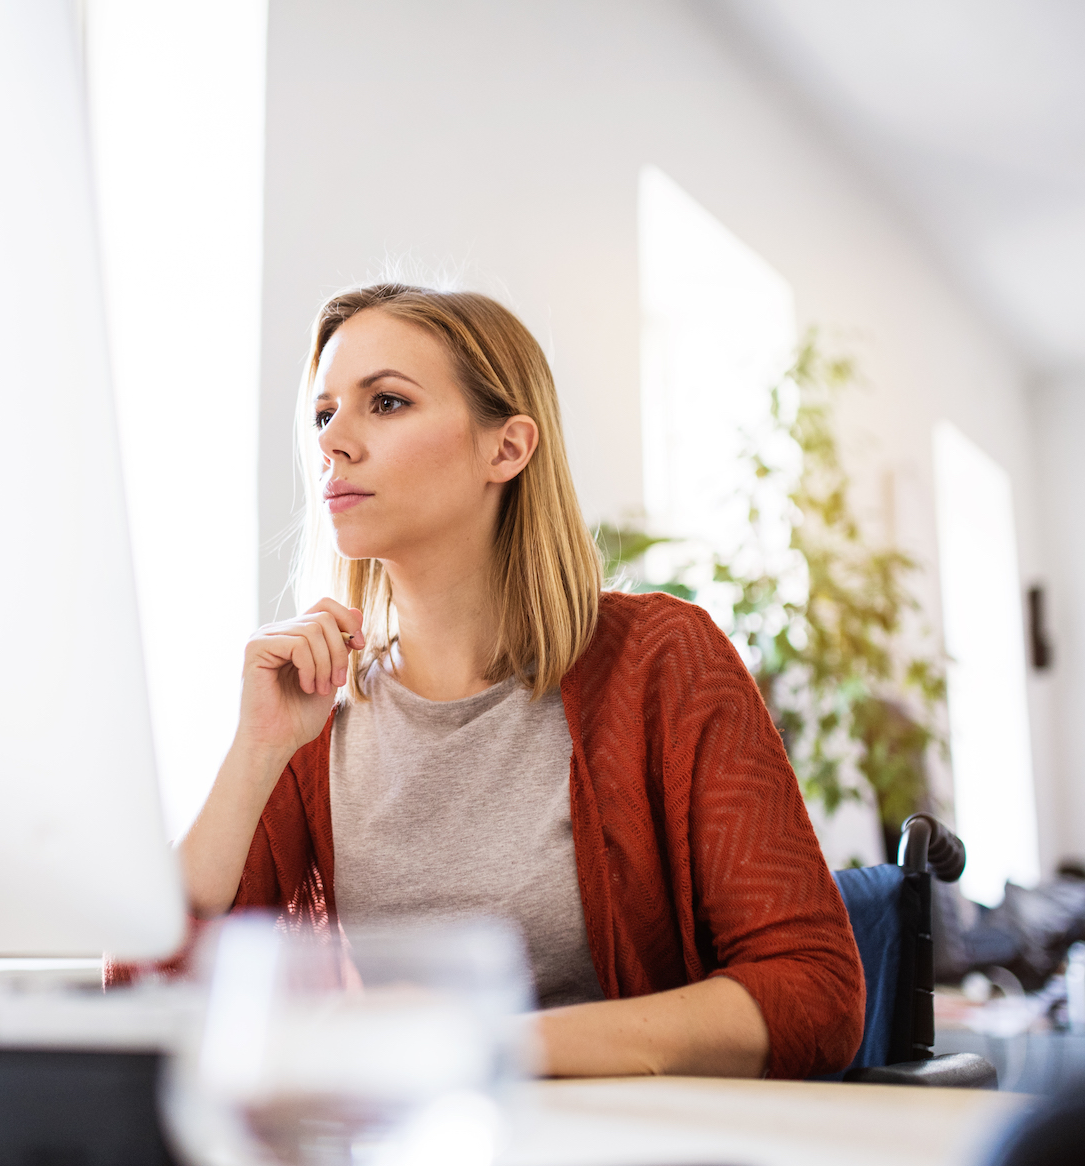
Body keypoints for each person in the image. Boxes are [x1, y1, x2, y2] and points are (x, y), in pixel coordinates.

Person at [174, 283, 863, 1080]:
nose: (333, 443)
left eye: (386, 403)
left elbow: (815, 996)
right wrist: (254, 753)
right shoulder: (312, 707)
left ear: (506, 449)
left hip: (630, 1157)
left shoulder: (664, 662)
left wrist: (485, 1044)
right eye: (324, 414)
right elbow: (149, 993)